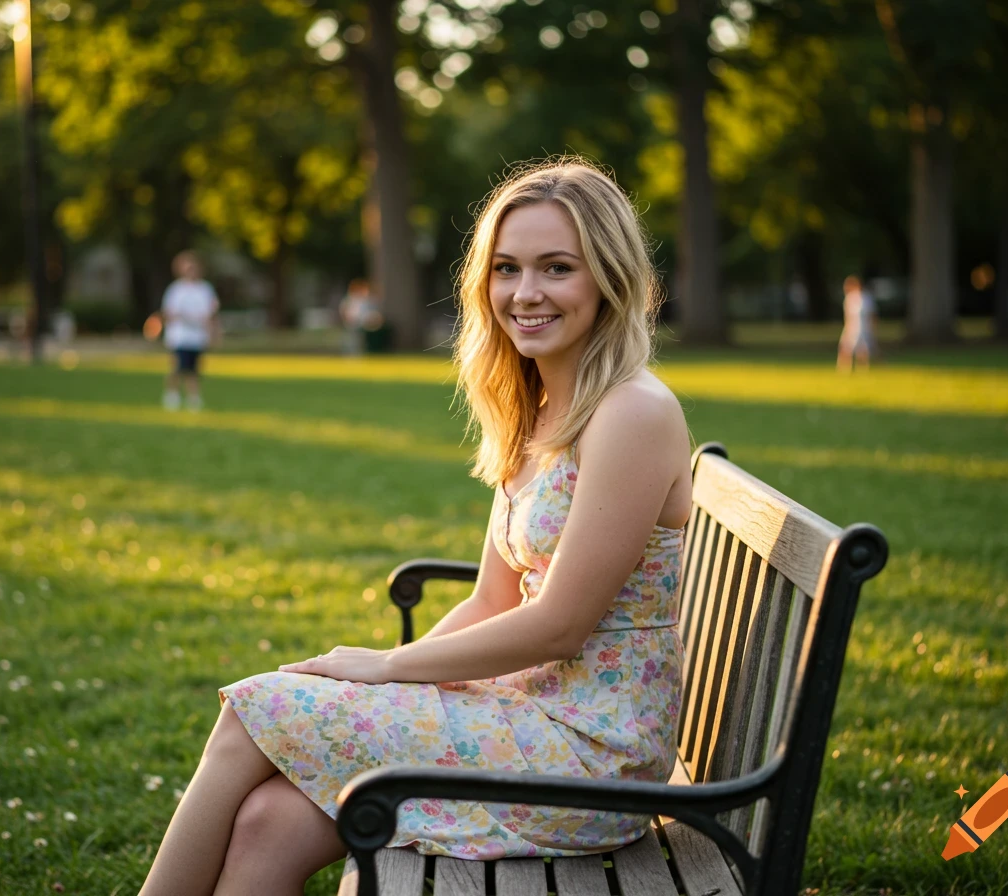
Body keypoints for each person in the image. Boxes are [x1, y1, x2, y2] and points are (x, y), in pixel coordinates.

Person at [136, 159, 692, 896]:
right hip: (528, 721)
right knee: (270, 819)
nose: (525, 293)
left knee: (253, 711)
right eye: (506, 269)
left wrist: (386, 668)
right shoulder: (541, 412)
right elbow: (493, 601)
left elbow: (559, 625)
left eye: (557, 268)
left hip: (591, 759)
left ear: (608, 276)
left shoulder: (632, 412)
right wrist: (385, 687)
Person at [161, 250, 219, 411]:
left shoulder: (205, 289)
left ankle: (193, 398)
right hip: (180, 336)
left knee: (194, 369)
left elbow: (211, 312)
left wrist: (213, 330)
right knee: (178, 367)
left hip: (197, 336)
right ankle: (172, 395)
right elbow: (169, 312)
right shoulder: (176, 290)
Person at [837, 275, 877, 372]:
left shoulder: (865, 298)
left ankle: (862, 370)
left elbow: (871, 314)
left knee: (863, 349)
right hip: (852, 327)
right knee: (846, 348)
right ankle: (844, 369)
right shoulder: (849, 298)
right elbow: (847, 316)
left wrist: (872, 328)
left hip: (863, 327)